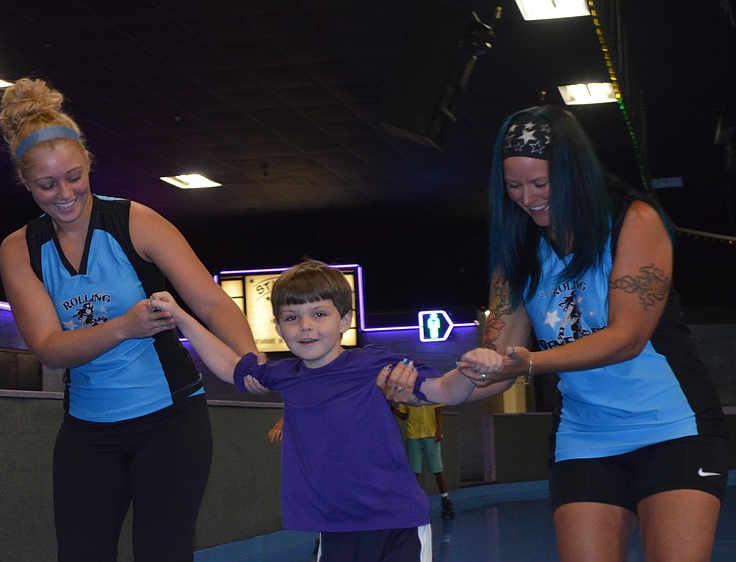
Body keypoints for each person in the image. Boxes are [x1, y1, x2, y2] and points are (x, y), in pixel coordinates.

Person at [380, 105, 730, 562]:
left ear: (573, 173)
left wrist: (529, 362)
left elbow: (626, 338)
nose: (527, 198)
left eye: (541, 183)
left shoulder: (635, 221)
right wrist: (422, 390)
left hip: (674, 428)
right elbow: (495, 367)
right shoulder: (519, 253)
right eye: (514, 186)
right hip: (586, 436)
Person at [0, 77, 260, 562]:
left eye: (74, 176)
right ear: (25, 183)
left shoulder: (136, 222)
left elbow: (211, 302)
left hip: (171, 423)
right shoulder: (20, 250)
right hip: (88, 430)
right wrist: (124, 327)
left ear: (89, 163)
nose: (65, 194)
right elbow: (50, 348)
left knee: (163, 551)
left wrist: (252, 361)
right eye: (46, 185)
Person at [150, 260, 480, 562]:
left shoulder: (375, 364)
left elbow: (446, 391)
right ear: (278, 328)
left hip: (398, 521)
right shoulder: (285, 375)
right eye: (292, 318)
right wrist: (181, 318)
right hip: (334, 527)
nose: (305, 326)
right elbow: (228, 366)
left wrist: (472, 369)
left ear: (345, 320)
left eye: (319, 314)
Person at [391, 404, 455, 517]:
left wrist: (439, 430)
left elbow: (438, 410)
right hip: (413, 435)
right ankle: (412, 502)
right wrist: (392, 408)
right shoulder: (406, 392)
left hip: (431, 433)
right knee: (414, 471)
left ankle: (446, 499)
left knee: (437, 468)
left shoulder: (430, 387)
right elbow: (404, 415)